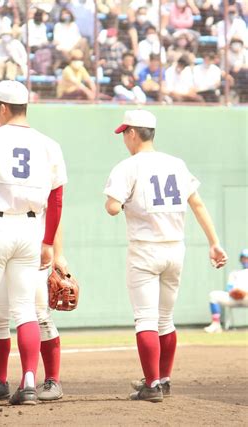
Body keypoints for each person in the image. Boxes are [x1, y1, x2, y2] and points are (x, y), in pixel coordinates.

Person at [0, 80, 67, 409]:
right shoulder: (49, 144)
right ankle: (30, 383)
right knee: (25, 310)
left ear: (3, 108)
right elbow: (57, 198)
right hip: (31, 229)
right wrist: (48, 242)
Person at [104, 109, 227, 402]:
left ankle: (151, 385)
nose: (124, 138)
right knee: (165, 320)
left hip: (145, 250)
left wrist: (122, 205)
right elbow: (197, 204)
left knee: (145, 319)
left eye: (125, 132)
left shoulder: (128, 166)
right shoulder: (176, 164)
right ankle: (163, 378)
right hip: (175, 249)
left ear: (133, 133)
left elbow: (111, 206)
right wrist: (214, 242)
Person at [204, 248, 248, 333]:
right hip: (234, 298)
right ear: (241, 259)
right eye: (244, 258)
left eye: (247, 258)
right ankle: (216, 324)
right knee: (213, 295)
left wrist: (245, 293)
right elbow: (229, 288)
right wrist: (233, 292)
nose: (245, 260)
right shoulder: (234, 273)